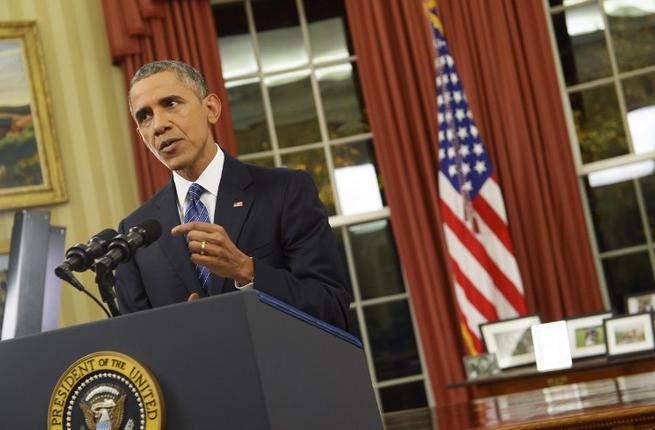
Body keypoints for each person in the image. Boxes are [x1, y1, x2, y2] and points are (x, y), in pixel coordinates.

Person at [114, 60, 350, 330]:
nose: (158, 125)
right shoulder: (134, 234)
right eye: (145, 116)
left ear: (211, 109)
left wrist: (247, 270)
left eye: (170, 104)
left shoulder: (285, 191)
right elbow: (139, 346)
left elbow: (332, 308)